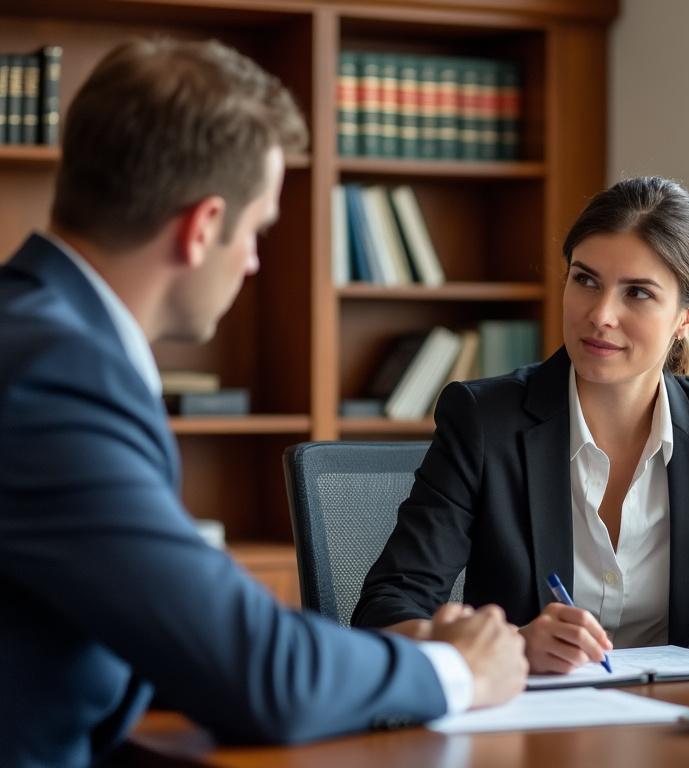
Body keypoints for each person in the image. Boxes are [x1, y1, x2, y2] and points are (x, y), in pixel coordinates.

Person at [0, 39, 526, 767]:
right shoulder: (53, 374)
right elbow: (256, 670)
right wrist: (461, 670)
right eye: (257, 232)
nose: (252, 262)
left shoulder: (36, 333)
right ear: (204, 226)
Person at [353, 176, 689, 680]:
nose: (600, 315)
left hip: (679, 727)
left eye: (637, 293)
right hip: (525, 725)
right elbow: (387, 608)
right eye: (586, 281)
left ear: (688, 317)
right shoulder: (485, 420)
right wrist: (511, 644)